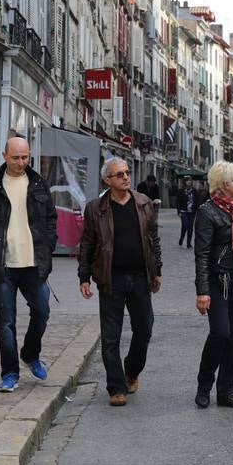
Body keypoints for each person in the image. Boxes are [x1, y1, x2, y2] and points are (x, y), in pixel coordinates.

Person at [0, 136, 58, 392]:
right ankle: (9, 374)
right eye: (16, 157)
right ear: (4, 155)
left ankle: (30, 354)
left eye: (25, 157)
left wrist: (48, 247)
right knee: (6, 322)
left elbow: (51, 219)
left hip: (34, 265)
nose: (21, 163)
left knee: (42, 311)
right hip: (4, 266)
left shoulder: (39, 184)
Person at [78, 157, 162, 407]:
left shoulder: (144, 203)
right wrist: (84, 277)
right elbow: (87, 243)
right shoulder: (96, 208)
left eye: (127, 173)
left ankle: (131, 371)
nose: (126, 177)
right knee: (111, 336)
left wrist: (156, 270)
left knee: (144, 330)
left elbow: (153, 240)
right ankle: (116, 387)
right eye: (120, 174)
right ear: (107, 180)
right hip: (110, 278)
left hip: (139, 277)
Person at [194, 161, 233, 409]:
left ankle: (227, 391)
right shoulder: (207, 212)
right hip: (217, 281)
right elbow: (201, 254)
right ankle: (204, 385)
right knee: (220, 332)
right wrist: (202, 291)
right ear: (223, 185)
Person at [177, 177, 199, 248]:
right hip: (183, 211)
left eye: (190, 181)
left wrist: (196, 209)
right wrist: (179, 211)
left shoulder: (194, 191)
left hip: (191, 211)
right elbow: (178, 202)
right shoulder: (181, 191)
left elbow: (197, 200)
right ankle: (181, 238)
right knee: (185, 225)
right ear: (184, 182)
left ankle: (188, 243)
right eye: (187, 181)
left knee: (190, 227)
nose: (189, 182)